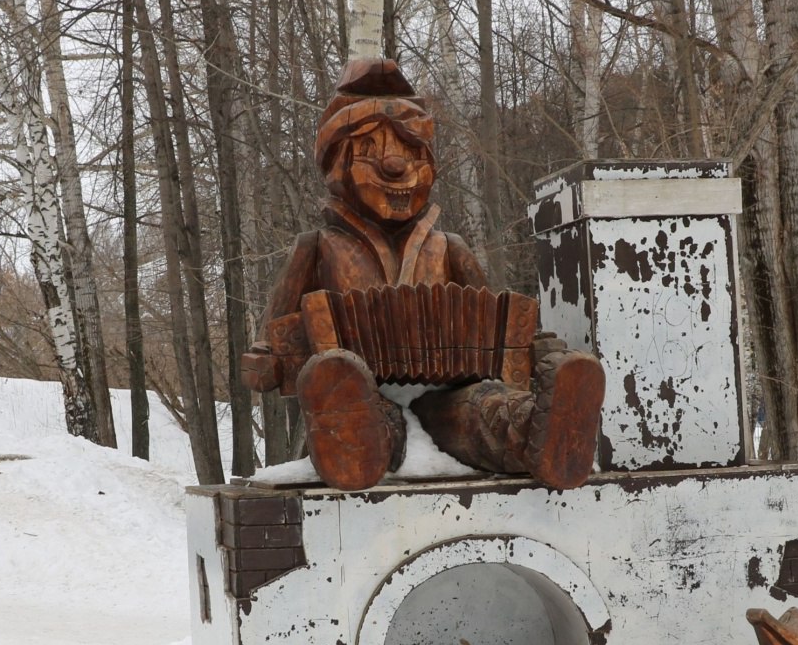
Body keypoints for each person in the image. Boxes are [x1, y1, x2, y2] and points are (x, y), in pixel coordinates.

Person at [241, 59, 604, 491]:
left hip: (450, 393)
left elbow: (502, 320)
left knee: (486, 412)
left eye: (413, 152)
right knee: (365, 413)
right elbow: (269, 344)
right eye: (370, 150)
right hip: (365, 395)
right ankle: (355, 443)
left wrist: (545, 352)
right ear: (337, 164)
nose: (397, 166)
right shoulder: (317, 248)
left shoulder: (449, 247)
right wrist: (266, 359)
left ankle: (548, 437)